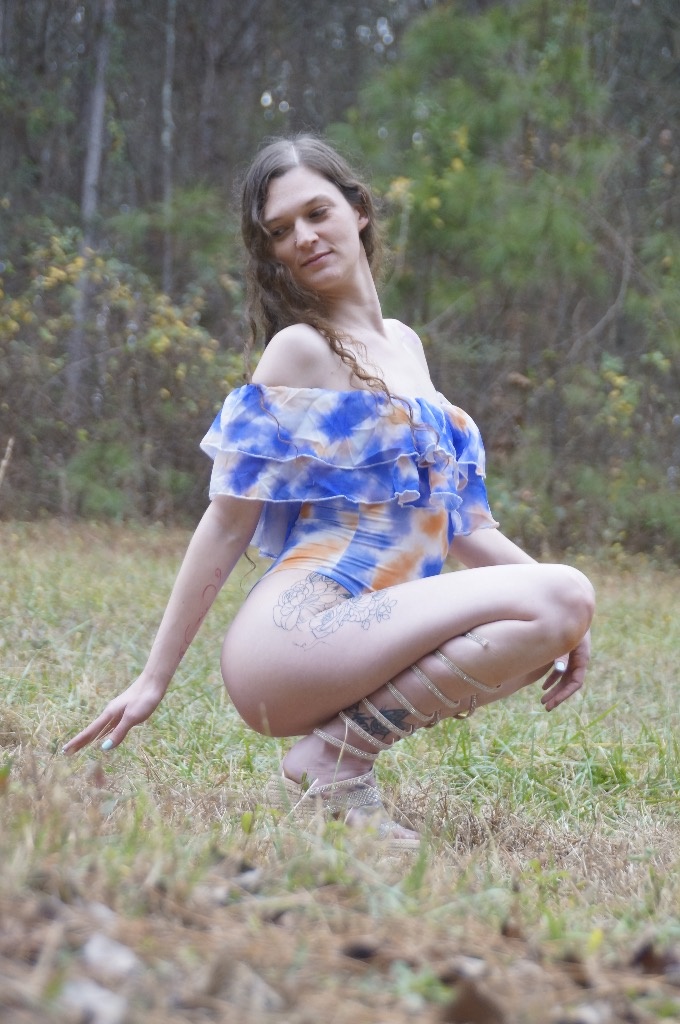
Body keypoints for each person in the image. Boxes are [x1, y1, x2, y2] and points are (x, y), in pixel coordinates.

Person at [63, 135, 595, 851]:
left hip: (371, 629)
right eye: (280, 231)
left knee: (551, 615)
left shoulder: (406, 346)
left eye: (317, 213)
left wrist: (569, 621)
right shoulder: (300, 349)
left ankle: (337, 758)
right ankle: (335, 764)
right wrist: (153, 678)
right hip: (296, 632)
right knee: (562, 593)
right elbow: (226, 524)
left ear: (359, 210)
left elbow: (465, 530)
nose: (303, 238)